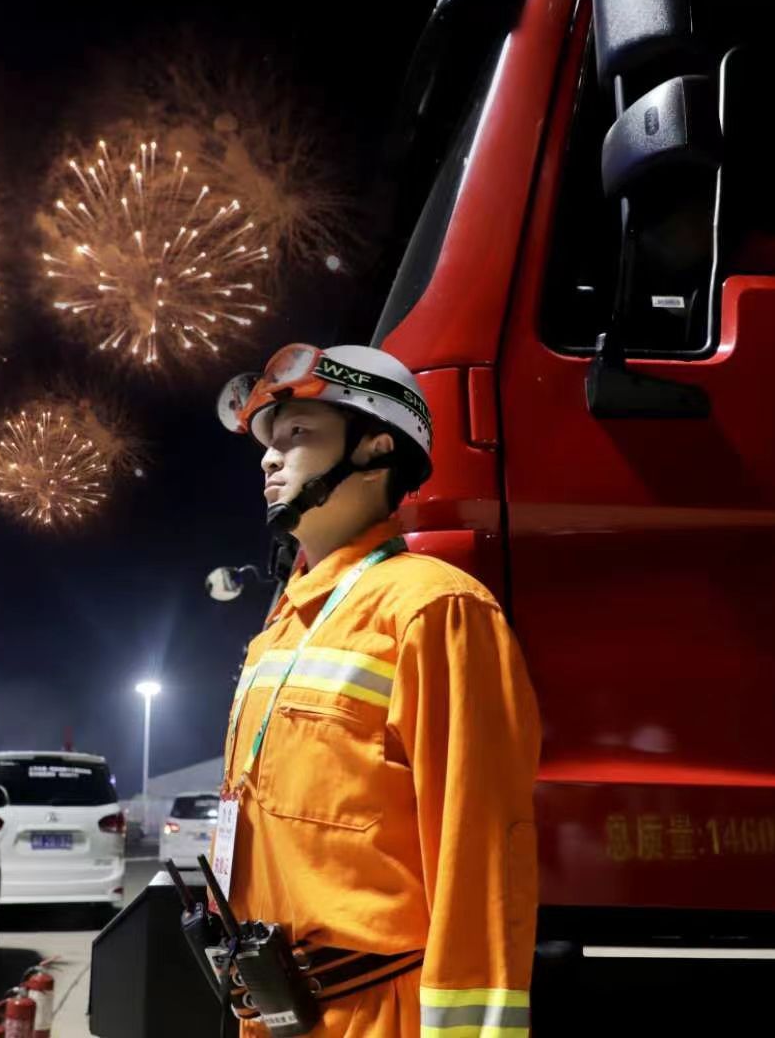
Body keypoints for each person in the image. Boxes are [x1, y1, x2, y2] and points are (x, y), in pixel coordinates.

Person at [211, 343, 540, 1037]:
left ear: (375, 449)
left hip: (379, 1012)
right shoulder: (280, 628)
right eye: (267, 442)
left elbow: (478, 852)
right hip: (274, 1011)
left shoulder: (435, 609)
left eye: (297, 433)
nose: (269, 458)